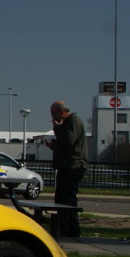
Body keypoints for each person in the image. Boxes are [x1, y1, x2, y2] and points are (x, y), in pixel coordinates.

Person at [50, 100, 87, 237]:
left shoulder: (73, 121)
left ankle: (67, 230)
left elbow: (69, 140)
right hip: (65, 165)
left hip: (73, 166)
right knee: (62, 198)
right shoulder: (66, 123)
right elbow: (66, 143)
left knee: (66, 199)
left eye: (53, 113)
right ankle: (68, 229)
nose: (53, 117)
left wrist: (57, 128)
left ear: (61, 111)